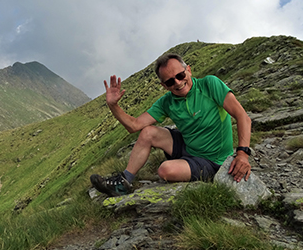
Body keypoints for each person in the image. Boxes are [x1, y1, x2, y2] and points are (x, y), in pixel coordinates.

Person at [90, 53, 252, 197]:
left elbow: (242, 116)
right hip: (188, 147)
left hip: (213, 160)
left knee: (165, 170)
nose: (177, 83)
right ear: (164, 86)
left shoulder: (210, 84)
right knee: (148, 132)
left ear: (188, 70)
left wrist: (242, 155)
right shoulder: (167, 102)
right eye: (169, 81)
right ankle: (124, 182)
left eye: (180, 75)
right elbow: (134, 126)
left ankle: (195, 170)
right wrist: (113, 106)